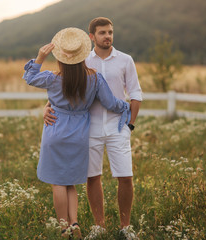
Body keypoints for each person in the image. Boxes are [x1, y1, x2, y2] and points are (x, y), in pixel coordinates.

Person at [22, 27, 130, 239]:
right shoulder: (94, 78)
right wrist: (126, 106)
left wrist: (40, 56)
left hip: (55, 129)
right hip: (80, 133)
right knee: (70, 182)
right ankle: (74, 224)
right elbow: (110, 103)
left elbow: (29, 77)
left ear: (61, 57)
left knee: (57, 182)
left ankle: (64, 229)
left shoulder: (52, 78)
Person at [43, 17, 142, 239]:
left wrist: (130, 125)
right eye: (102, 33)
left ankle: (125, 227)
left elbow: (135, 94)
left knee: (125, 176)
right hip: (88, 127)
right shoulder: (81, 61)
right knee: (92, 177)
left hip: (118, 127)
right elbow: (64, 88)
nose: (108, 36)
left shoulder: (125, 60)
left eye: (110, 32)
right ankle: (100, 226)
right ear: (91, 37)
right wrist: (46, 107)